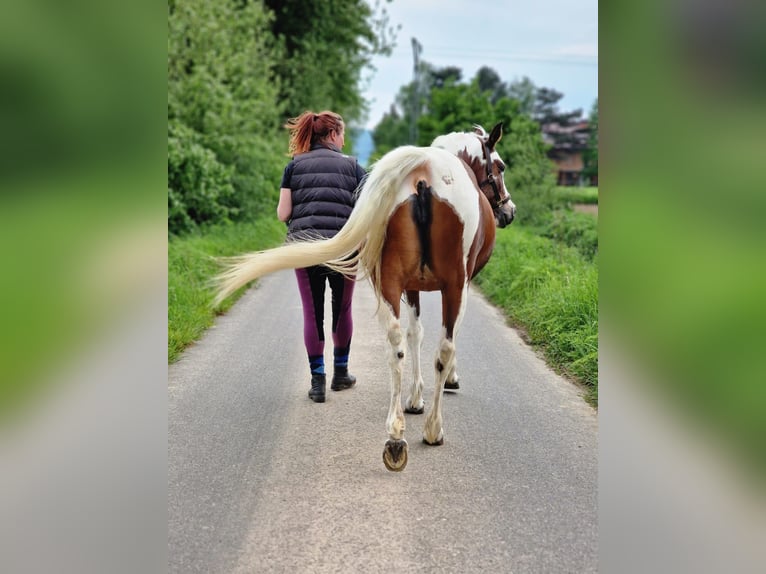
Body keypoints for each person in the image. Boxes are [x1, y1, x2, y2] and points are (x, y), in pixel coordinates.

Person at [277, 110, 367, 403]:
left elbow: (283, 214)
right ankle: (341, 375)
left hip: (305, 248)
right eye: (342, 134)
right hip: (343, 248)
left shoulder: (294, 165)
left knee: (312, 313)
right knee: (342, 309)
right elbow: (367, 213)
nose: (343, 140)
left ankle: (317, 384)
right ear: (331, 135)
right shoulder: (354, 167)